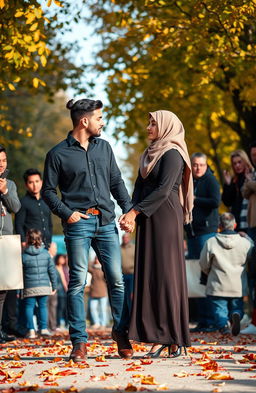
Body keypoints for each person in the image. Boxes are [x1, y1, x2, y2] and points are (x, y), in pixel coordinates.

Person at [42, 98, 133, 362]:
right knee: (77, 282)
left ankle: (121, 332)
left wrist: (128, 211)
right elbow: (48, 191)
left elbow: (116, 182)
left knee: (116, 279)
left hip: (105, 221)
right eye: (99, 118)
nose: (102, 122)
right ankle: (79, 342)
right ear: (85, 121)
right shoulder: (57, 154)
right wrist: (67, 213)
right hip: (78, 224)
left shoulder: (104, 148)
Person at [120, 110, 193, 358]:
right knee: (151, 274)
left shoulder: (173, 153)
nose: (148, 127)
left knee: (165, 275)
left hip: (165, 217)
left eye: (153, 123)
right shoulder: (148, 154)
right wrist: (130, 214)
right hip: (148, 217)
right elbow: (139, 187)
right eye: (149, 122)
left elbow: (163, 190)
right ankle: (162, 335)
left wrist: (135, 213)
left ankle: (171, 335)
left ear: (166, 126)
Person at [199, 213, 252, 335]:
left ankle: (223, 326)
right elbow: (252, 259)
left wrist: (209, 272)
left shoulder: (211, 242)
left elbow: (203, 263)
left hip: (217, 283)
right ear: (235, 225)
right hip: (238, 284)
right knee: (237, 305)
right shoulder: (245, 243)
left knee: (219, 308)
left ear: (219, 226)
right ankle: (236, 316)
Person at [185, 152, 221, 332]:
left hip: (206, 233)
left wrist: (195, 200)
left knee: (206, 276)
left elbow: (216, 202)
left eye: (201, 165)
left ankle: (213, 320)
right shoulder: (190, 180)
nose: (198, 168)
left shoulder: (211, 180)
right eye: (195, 165)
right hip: (192, 235)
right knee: (195, 278)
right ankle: (203, 320)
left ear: (206, 166)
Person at [0, 144, 21, 343]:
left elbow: (16, 206)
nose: (1, 164)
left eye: (4, 160)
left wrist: (5, 190)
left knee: (3, 288)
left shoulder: (11, 184)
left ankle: (1, 329)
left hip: (6, 241)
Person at [22, 229, 57, 338]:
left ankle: (31, 330)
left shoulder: (23, 255)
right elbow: (52, 270)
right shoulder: (46, 254)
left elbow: (20, 273)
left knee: (29, 307)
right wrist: (54, 285)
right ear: (40, 239)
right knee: (43, 306)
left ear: (28, 239)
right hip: (43, 286)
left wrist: (19, 289)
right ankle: (43, 329)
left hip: (29, 286)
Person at [15, 168, 53, 249]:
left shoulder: (47, 201)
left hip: (47, 245)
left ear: (41, 182)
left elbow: (49, 224)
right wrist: (23, 242)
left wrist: (50, 241)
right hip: (31, 245)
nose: (35, 185)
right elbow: (18, 224)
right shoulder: (22, 202)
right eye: (31, 182)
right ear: (26, 185)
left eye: (37, 181)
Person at [222, 150, 254, 233]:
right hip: (237, 222)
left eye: (240, 162)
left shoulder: (252, 175)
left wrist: (249, 181)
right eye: (234, 163)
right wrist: (228, 184)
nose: (237, 166)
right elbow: (227, 202)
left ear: (245, 161)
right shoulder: (234, 179)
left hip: (250, 220)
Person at [88, 257, 108, 329]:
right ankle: (96, 323)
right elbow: (87, 265)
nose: (97, 260)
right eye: (96, 259)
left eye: (98, 259)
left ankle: (103, 324)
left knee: (102, 309)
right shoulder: (93, 269)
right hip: (93, 292)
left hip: (103, 292)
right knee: (92, 308)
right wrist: (92, 262)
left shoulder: (104, 269)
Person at [121, 233, 135, 314]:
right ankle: (124, 317)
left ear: (129, 238)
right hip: (122, 275)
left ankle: (131, 315)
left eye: (126, 237)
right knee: (123, 296)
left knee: (131, 296)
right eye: (123, 237)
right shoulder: (119, 248)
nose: (125, 239)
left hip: (132, 275)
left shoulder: (133, 248)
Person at [55, 254, 68, 329]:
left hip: (65, 290)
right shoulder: (56, 268)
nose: (63, 260)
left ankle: (67, 323)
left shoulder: (65, 268)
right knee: (60, 308)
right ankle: (58, 324)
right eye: (61, 259)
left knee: (66, 308)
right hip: (60, 291)